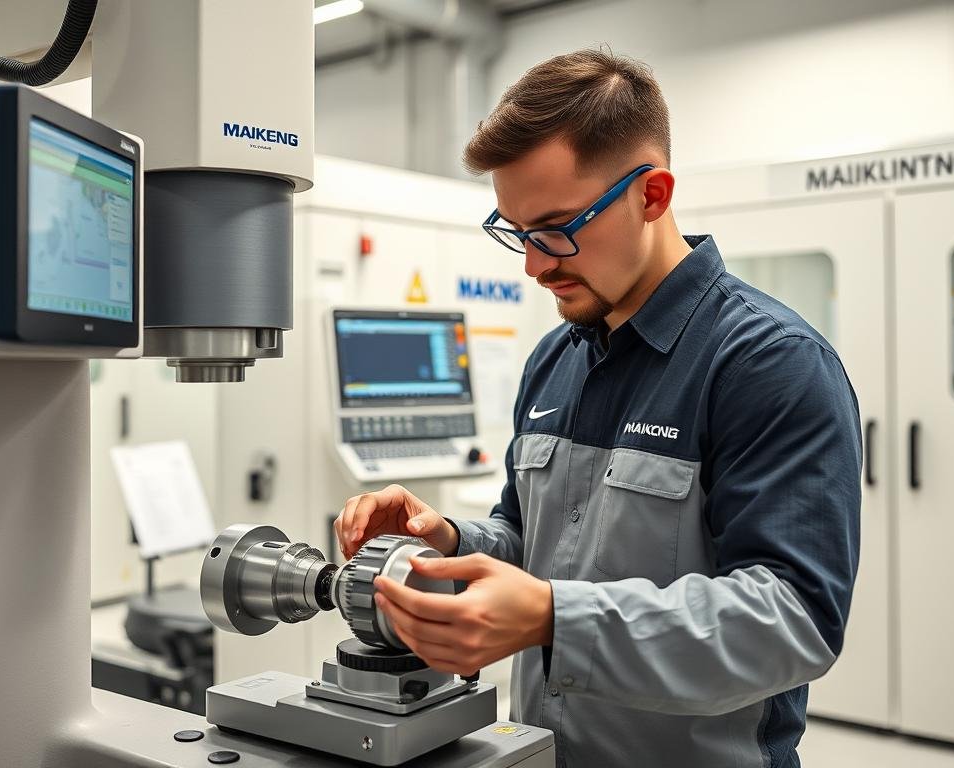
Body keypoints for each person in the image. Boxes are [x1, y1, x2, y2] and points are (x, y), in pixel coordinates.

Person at [333, 48, 861, 767]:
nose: (534, 265)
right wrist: (451, 542)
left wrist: (554, 619)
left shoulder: (769, 364)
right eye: (516, 233)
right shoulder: (556, 359)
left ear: (653, 195)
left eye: (555, 228)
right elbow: (530, 543)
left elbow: (791, 621)